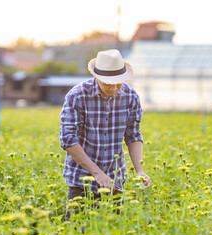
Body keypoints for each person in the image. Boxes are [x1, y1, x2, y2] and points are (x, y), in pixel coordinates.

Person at [60, 49, 151, 220]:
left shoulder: (131, 97)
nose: (114, 88)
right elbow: (68, 139)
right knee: (76, 229)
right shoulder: (77, 96)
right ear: (96, 77)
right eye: (109, 83)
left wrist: (139, 171)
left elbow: (133, 135)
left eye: (119, 83)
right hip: (81, 180)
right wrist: (97, 173)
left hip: (115, 179)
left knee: (112, 230)